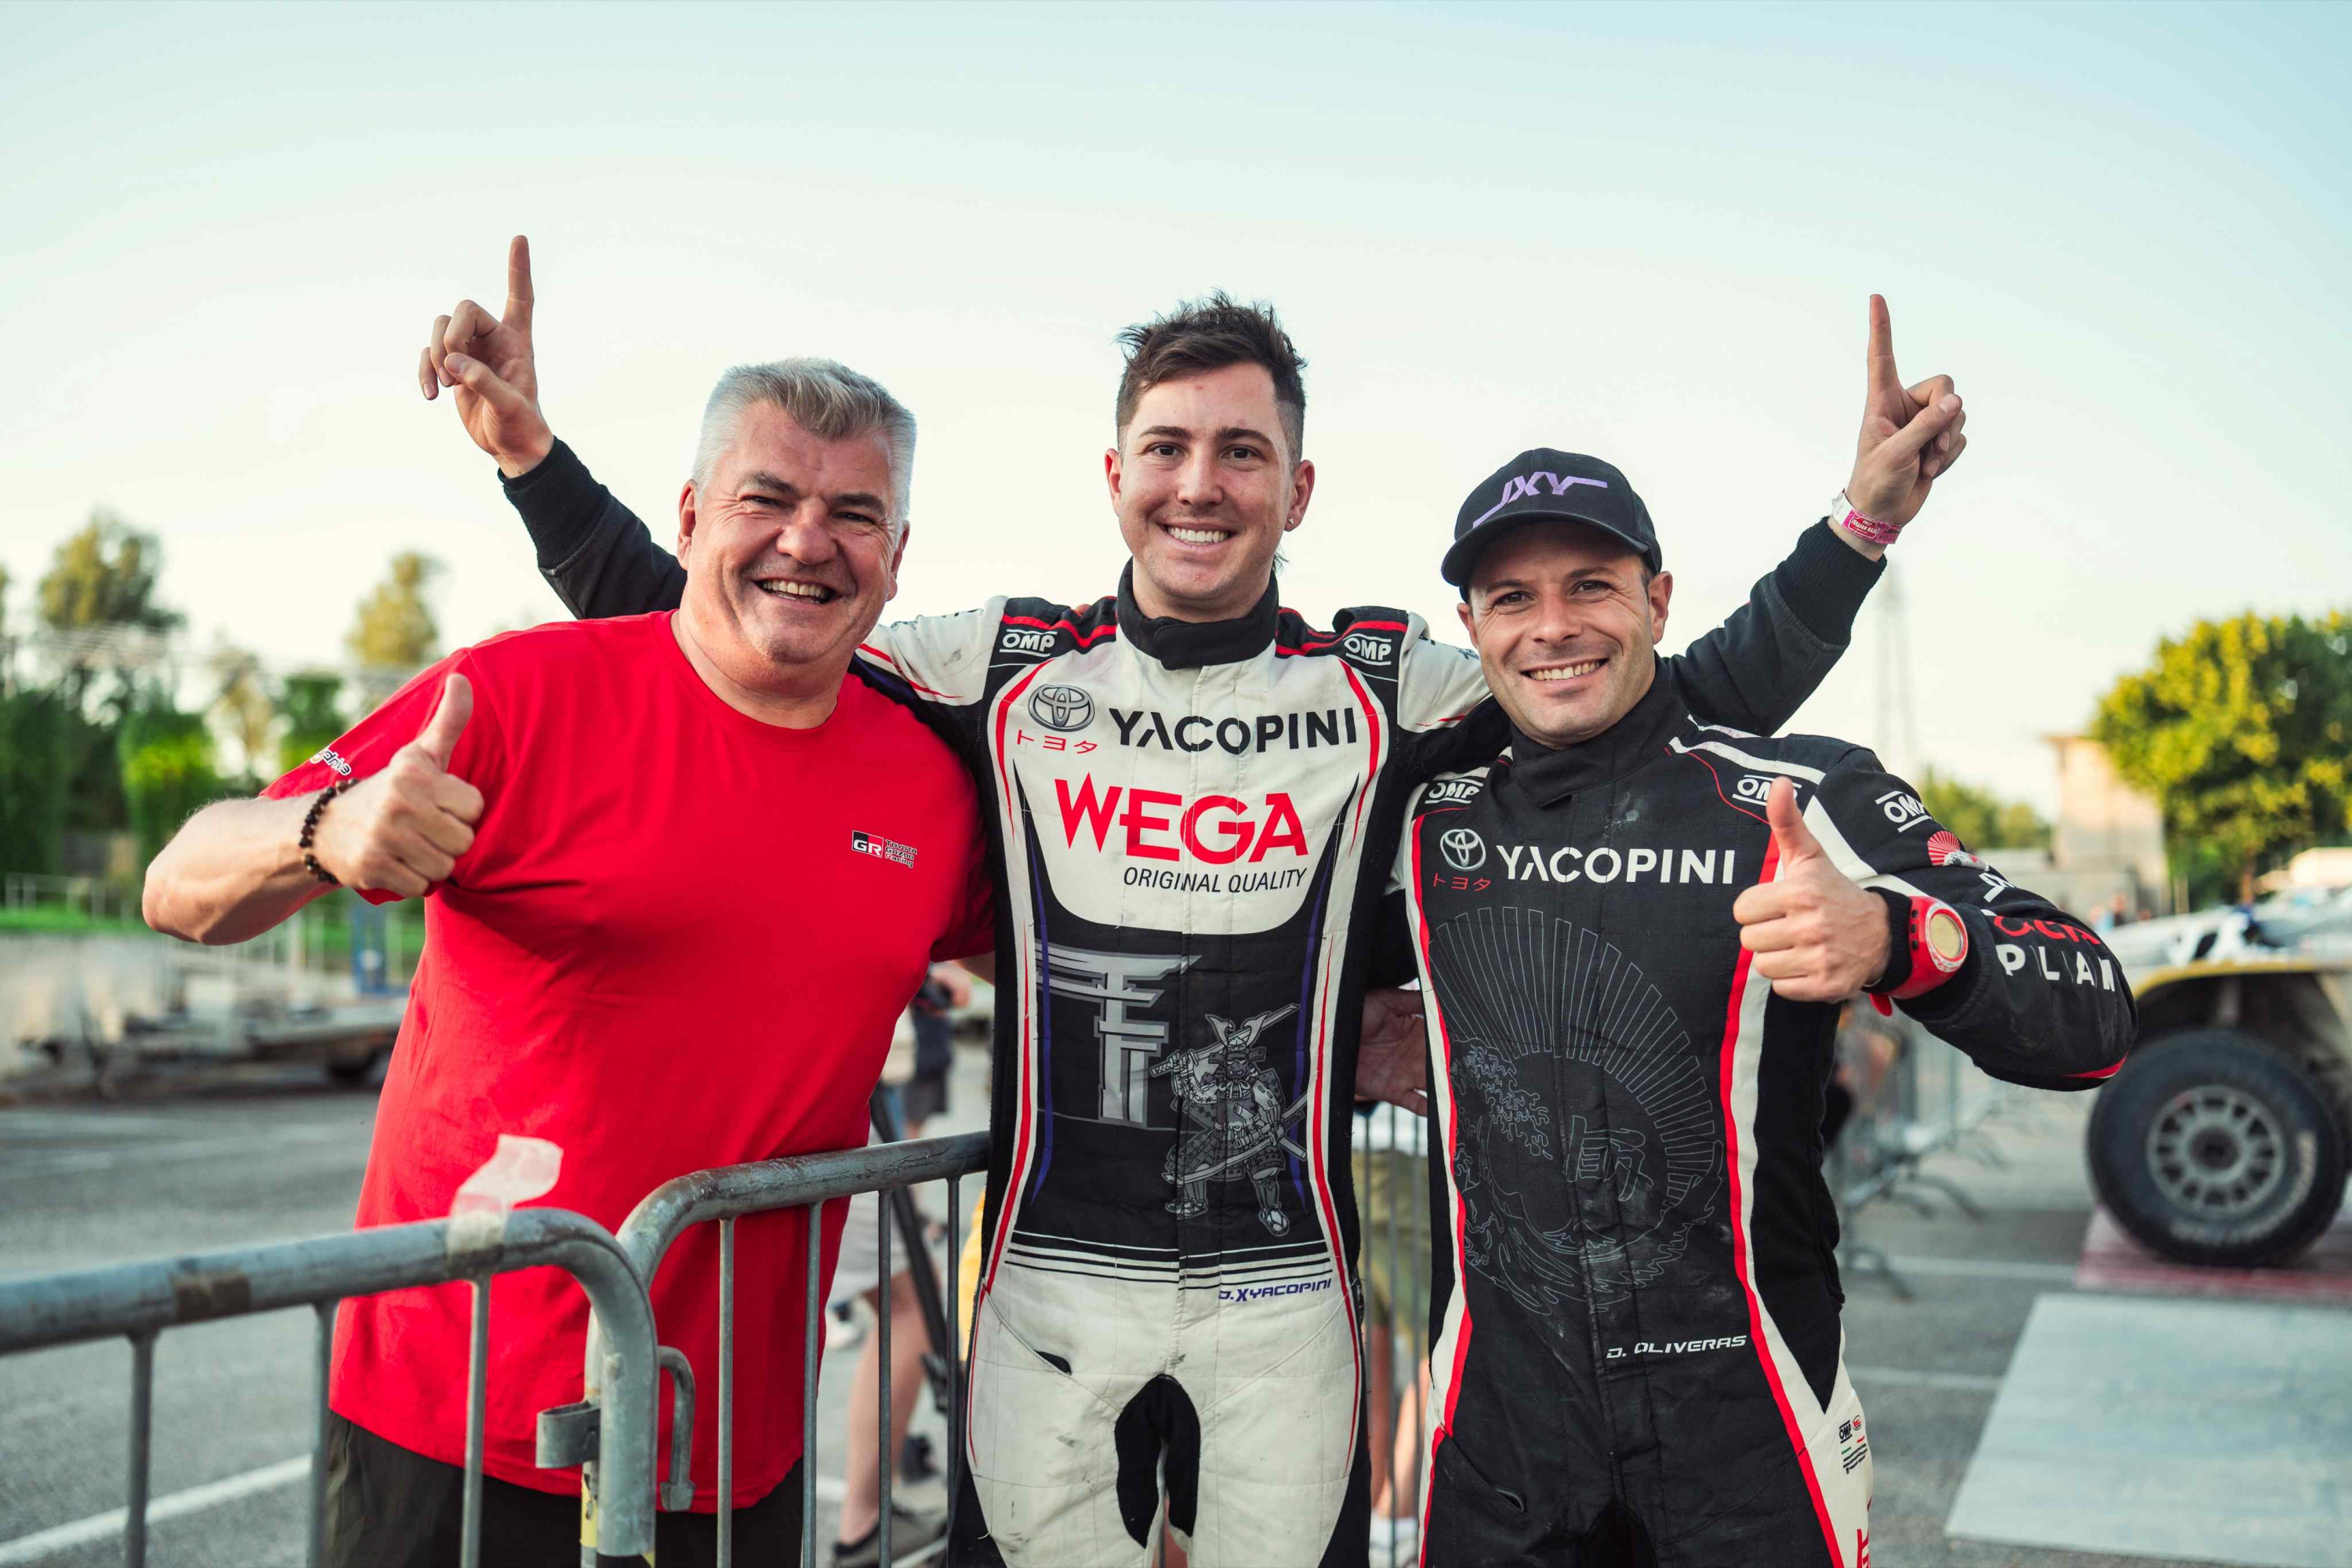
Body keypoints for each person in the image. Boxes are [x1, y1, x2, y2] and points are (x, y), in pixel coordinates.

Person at [417, 240, 1962, 1567]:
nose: (1199, 484)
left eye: (1239, 452)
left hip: (1285, 1303)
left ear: (1297, 485)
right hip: (1047, 1295)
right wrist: (535, 468)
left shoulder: (1378, 682)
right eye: (1167, 446)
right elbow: (735, 625)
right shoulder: (1007, 667)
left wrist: (1860, 529)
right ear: (1115, 474)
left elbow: (1641, 696)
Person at [143, 358, 993, 1567]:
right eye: (767, 499)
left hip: (733, 1445)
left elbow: (1075, 950)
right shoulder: (521, 693)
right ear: (692, 515)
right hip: (460, 1422)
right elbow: (178, 884)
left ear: (896, 554)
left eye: (853, 513)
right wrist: (324, 833)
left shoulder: (928, 788)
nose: (809, 541)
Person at [1390, 451, 2138, 1566]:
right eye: (1513, 597)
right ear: (1471, 624)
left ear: (1658, 598)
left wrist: (1895, 939)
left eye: (1590, 585)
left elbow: (2096, 1017)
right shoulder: (1418, 814)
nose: (1553, 625)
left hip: (1750, 1435)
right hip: (1503, 1442)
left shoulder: (1801, 793)